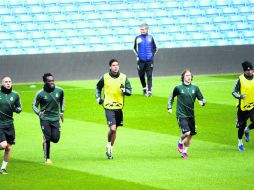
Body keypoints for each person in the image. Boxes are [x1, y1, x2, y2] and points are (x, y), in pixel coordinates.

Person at [96, 59, 132, 159]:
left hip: (119, 107)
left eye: (117, 65)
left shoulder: (124, 77)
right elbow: (98, 87)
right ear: (110, 67)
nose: (115, 67)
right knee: (112, 128)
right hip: (108, 106)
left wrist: (124, 90)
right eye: (113, 65)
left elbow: (130, 91)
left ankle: (110, 148)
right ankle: (108, 144)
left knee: (115, 130)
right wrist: (98, 98)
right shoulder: (105, 77)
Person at [168, 70, 205, 159]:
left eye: (190, 75)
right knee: (186, 132)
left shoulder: (195, 88)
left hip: (191, 115)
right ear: (183, 77)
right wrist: (169, 107)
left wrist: (202, 103)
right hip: (181, 114)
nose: (189, 77)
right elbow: (171, 97)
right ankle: (180, 141)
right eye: (187, 75)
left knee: (191, 134)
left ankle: (184, 152)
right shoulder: (178, 87)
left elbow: (202, 99)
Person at [32, 73, 64, 164]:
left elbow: (62, 100)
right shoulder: (40, 93)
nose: (52, 82)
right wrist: (39, 113)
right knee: (47, 138)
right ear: (45, 82)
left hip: (55, 118)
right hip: (45, 118)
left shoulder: (60, 90)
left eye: (52, 80)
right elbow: (34, 105)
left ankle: (45, 139)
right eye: (49, 81)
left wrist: (61, 112)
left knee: (56, 139)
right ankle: (47, 158)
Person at [0, 76, 22, 174]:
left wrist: (16, 109)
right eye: (6, 82)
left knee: (8, 147)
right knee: (4, 145)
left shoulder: (16, 95)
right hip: (0, 124)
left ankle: (3, 168)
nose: (8, 83)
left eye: (9, 81)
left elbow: (19, 108)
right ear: (2, 83)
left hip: (10, 124)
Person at [232, 61, 254, 151]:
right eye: (247, 70)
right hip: (243, 107)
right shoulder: (240, 79)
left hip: (253, 105)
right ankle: (240, 142)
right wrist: (240, 96)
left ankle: (248, 129)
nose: (249, 71)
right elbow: (233, 92)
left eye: (251, 69)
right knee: (241, 126)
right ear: (244, 71)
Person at [133, 23, 158, 97]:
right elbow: (134, 48)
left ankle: (149, 91)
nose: (142, 30)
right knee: (141, 75)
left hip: (149, 60)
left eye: (143, 29)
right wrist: (138, 55)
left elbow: (155, 48)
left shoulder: (151, 37)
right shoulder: (137, 38)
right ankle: (144, 88)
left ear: (147, 29)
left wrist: (151, 55)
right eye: (141, 29)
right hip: (140, 61)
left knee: (149, 75)